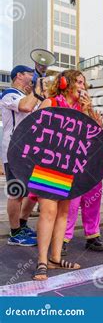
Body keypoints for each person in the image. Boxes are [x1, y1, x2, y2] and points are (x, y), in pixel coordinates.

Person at [33, 70, 100, 280]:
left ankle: (55, 258)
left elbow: (96, 134)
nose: (82, 86)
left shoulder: (83, 109)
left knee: (64, 213)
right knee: (48, 212)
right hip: (49, 165)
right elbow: (34, 131)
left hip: (72, 167)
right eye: (78, 81)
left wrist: (88, 110)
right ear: (65, 83)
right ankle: (42, 261)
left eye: (84, 83)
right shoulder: (51, 103)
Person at [0, 65, 39, 247]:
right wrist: (38, 90)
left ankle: (21, 226)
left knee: (24, 191)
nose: (33, 77)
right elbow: (25, 107)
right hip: (14, 150)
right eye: (30, 74)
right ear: (19, 75)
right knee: (16, 192)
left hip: (27, 151)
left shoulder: (26, 95)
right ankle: (15, 233)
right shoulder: (8, 94)